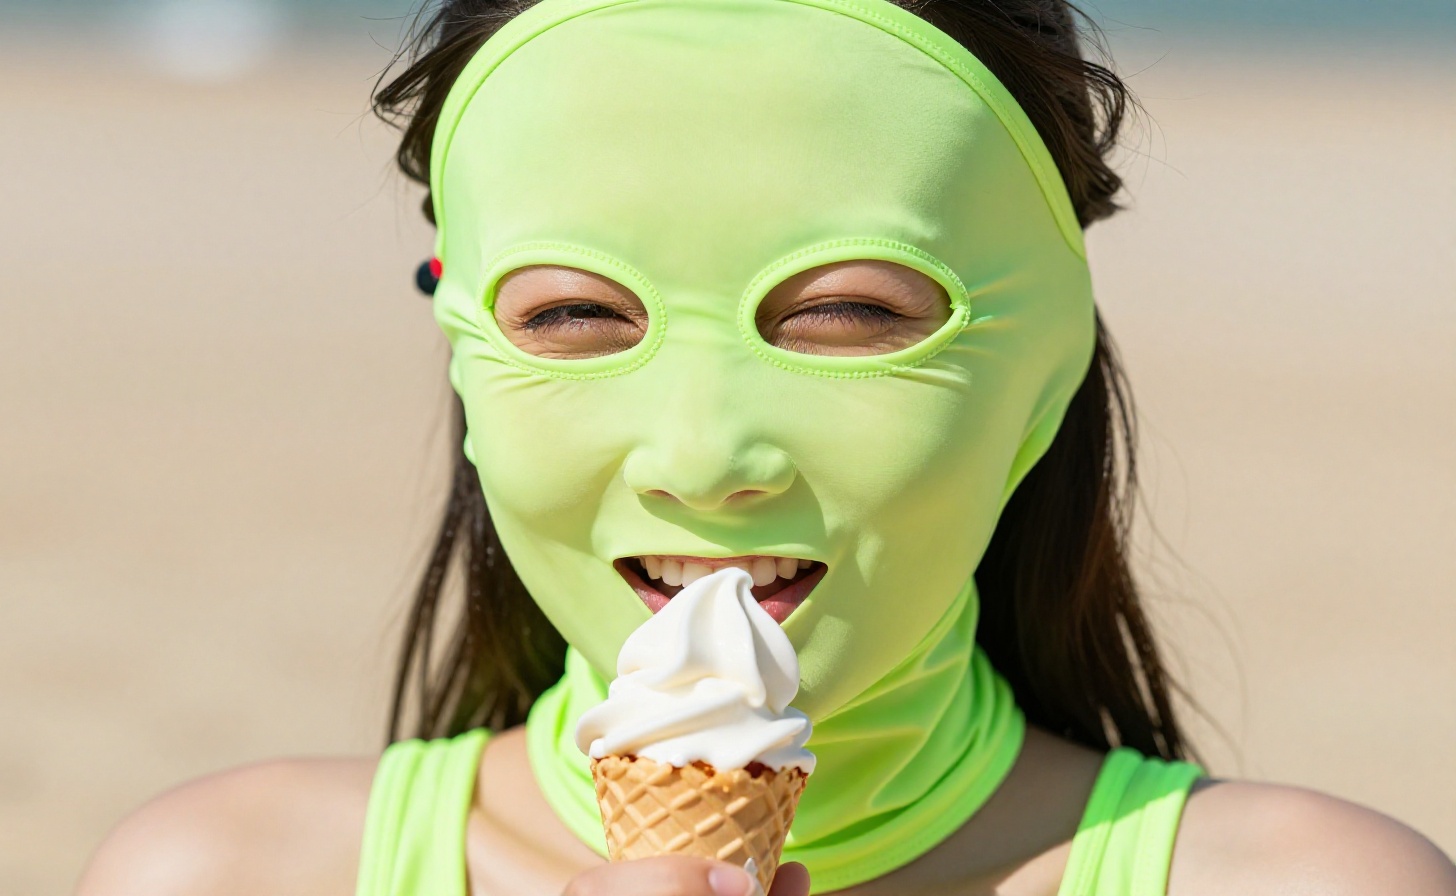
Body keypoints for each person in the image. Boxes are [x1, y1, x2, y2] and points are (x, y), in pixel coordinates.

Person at [75, 0, 1456, 894]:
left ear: (1038, 371)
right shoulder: (224, 874)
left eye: (848, 315)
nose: (702, 456)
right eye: (570, 315)